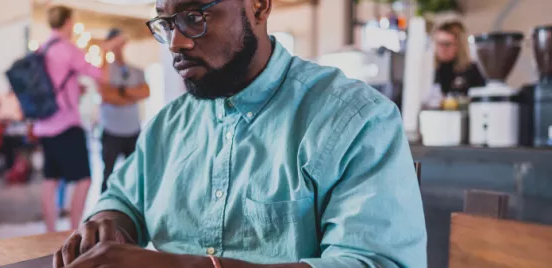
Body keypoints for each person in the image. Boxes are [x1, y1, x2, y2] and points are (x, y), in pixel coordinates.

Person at [54, 0, 427, 267]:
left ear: (260, 7)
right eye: (166, 24)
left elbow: (374, 262)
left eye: (194, 17)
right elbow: (123, 198)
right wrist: (108, 222)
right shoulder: (167, 125)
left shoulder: (354, 119)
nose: (176, 43)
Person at [32, 5, 104, 232]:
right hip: (66, 123)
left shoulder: (42, 49)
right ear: (68, 22)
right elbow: (96, 72)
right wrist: (105, 50)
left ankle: (50, 232)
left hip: (43, 125)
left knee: (50, 180)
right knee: (83, 179)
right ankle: (75, 231)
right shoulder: (67, 49)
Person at [98, 28, 150, 193]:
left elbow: (146, 92)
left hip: (133, 130)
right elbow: (106, 94)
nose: (118, 47)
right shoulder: (105, 71)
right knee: (108, 174)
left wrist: (120, 92)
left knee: (135, 175)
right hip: (111, 131)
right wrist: (131, 94)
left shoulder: (136, 70)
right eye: (115, 44)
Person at [433, 21, 485, 96]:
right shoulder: (432, 71)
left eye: (447, 44)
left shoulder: (471, 71)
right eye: (439, 44)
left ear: (458, 46)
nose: (442, 49)